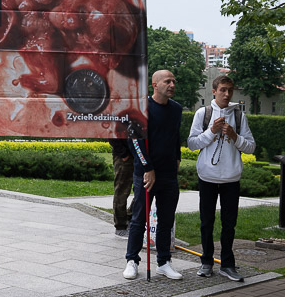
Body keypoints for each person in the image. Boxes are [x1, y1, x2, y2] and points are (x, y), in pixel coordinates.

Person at [187, 75, 256, 282]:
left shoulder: (239, 116)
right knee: (206, 222)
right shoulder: (203, 113)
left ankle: (227, 264)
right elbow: (192, 144)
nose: (227, 94)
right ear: (214, 91)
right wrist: (212, 132)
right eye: (223, 90)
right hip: (207, 176)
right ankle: (206, 262)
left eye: (230, 90)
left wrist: (234, 136)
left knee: (229, 224)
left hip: (231, 178)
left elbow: (251, 147)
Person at [124, 70, 183, 280]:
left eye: (174, 81)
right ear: (154, 84)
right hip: (146, 174)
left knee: (166, 220)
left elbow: (176, 137)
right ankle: (132, 260)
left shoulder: (176, 109)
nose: (172, 85)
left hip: (168, 174)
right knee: (140, 218)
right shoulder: (142, 109)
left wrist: (178, 157)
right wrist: (148, 168)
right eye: (168, 81)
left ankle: (164, 262)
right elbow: (135, 142)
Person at [110, 138, 134, 236]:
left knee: (143, 190)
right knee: (122, 190)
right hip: (124, 156)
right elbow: (111, 133)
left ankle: (129, 217)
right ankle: (120, 226)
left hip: (139, 154)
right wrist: (123, 153)